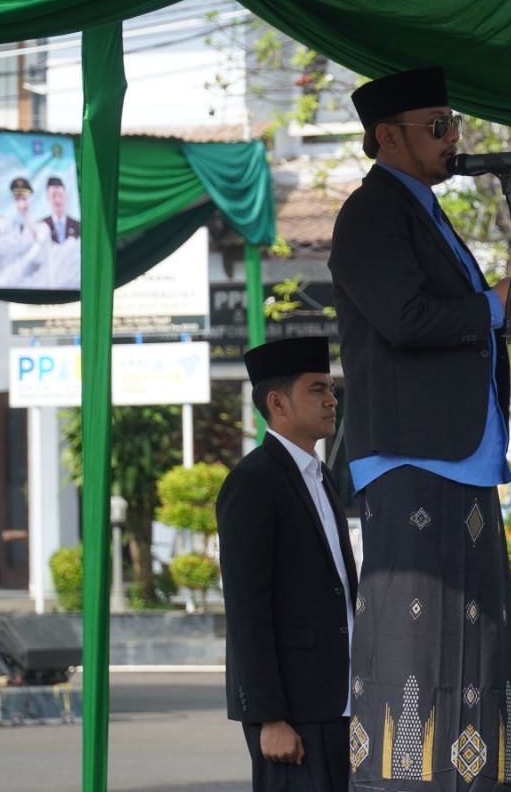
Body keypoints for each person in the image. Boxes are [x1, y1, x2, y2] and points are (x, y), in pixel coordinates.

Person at [330, 66, 511, 790]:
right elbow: (405, 319)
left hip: (457, 457)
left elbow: (452, 321)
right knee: (416, 641)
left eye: (453, 123)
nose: (453, 138)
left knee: (478, 639)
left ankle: (478, 777)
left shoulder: (422, 209)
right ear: (386, 136)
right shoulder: (371, 213)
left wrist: (510, 306)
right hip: (411, 457)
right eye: (438, 126)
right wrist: (494, 301)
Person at [216, 336, 358, 792]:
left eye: (332, 388)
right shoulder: (253, 482)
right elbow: (246, 609)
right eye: (317, 389)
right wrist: (268, 717)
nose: (331, 400)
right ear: (277, 402)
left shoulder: (324, 478)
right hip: (293, 710)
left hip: (342, 700)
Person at [40, 176, 80, 244]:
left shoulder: (77, 225)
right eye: (54, 195)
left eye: (60, 195)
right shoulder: (42, 225)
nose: (58, 200)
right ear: (48, 197)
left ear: (66, 196)